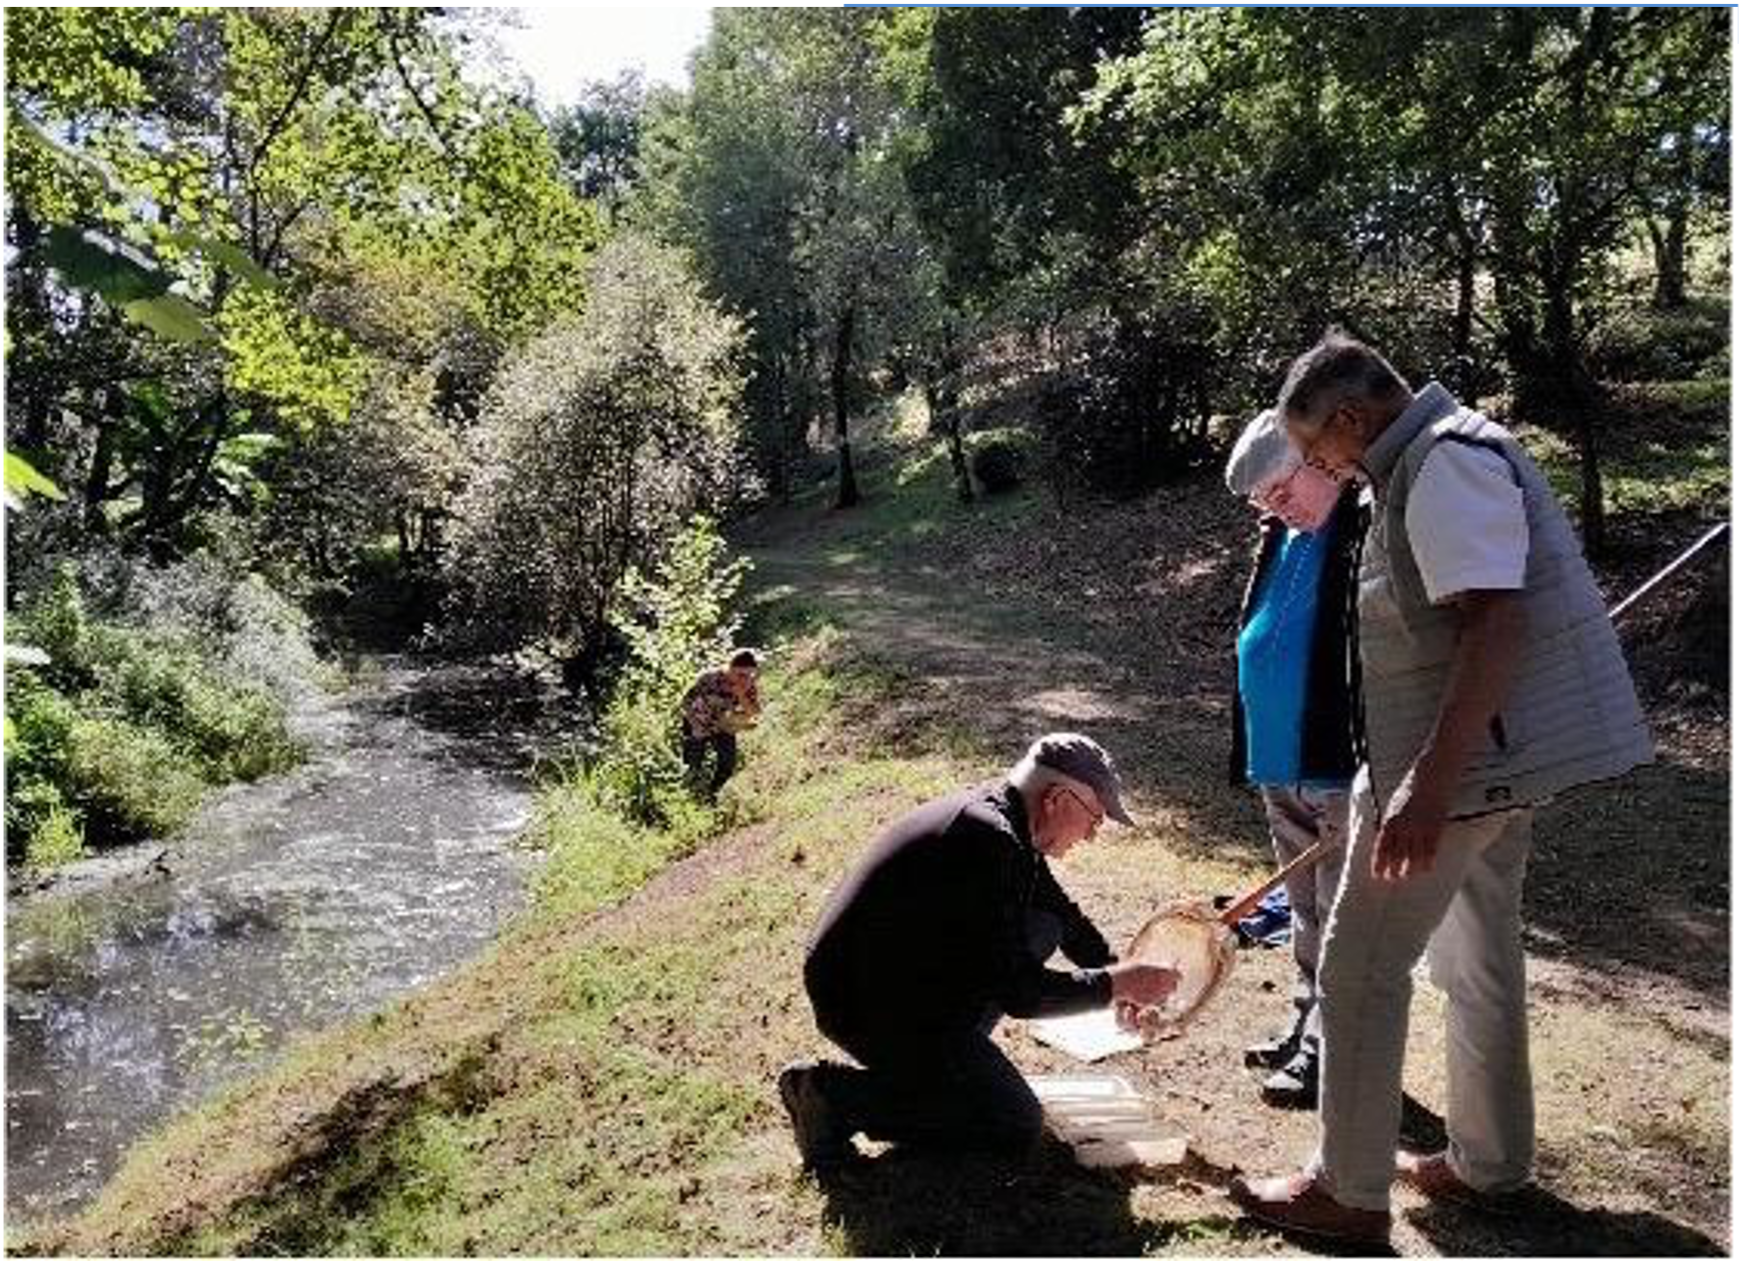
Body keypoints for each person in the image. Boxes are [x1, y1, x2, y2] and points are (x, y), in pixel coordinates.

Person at [1230, 330, 1653, 1245]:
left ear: (1350, 417)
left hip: (1450, 776)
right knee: (1478, 966)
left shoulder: (1446, 462)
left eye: (1314, 450)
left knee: (1357, 970)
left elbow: (1495, 624)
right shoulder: (1430, 460)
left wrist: (1425, 785)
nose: (1320, 466)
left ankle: (1346, 1190)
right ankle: (1487, 1163)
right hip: (1476, 773)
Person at [777, 733, 1180, 1168]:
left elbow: (1061, 915)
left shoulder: (1006, 819)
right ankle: (831, 1096)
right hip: (863, 999)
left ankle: (947, 1066)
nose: (1092, 836)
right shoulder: (985, 839)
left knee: (1042, 925)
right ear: (1057, 799)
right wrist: (1114, 985)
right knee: (1010, 1123)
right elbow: (1022, 994)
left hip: (899, 973)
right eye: (1094, 819)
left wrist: (1119, 977)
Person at [1224, 409, 1366, 1109]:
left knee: (1341, 917)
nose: (1275, 508)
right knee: (1303, 908)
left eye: (1280, 490)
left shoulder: (1361, 531)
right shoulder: (1281, 533)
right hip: (1279, 757)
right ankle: (1306, 1019)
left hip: (1336, 761)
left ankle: (1329, 1051)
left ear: (1322, 461)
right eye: (1262, 501)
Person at [678, 648, 761, 797]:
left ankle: (710, 794)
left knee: (728, 765)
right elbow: (685, 702)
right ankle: (687, 795)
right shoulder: (709, 678)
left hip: (722, 726)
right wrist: (695, 725)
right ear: (730, 668)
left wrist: (741, 694)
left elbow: (754, 712)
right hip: (696, 721)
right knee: (692, 766)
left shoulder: (748, 684)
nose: (745, 678)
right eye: (741, 674)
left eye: (749, 674)